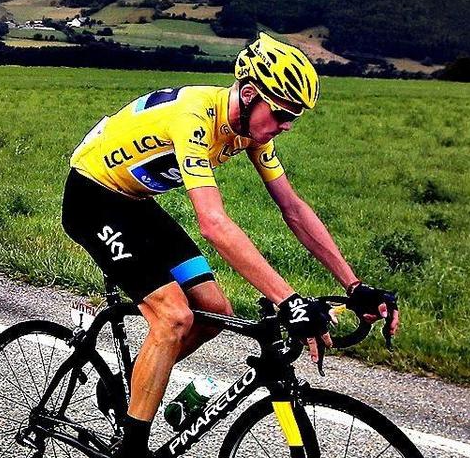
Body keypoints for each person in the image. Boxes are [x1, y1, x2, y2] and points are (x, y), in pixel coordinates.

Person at [61, 34, 398, 458]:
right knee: (173, 317)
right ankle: (133, 446)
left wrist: (354, 284)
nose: (287, 125)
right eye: (281, 113)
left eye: (294, 116)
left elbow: (292, 208)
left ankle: (136, 392)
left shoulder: (253, 134)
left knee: (216, 313)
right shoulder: (194, 118)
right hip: (92, 199)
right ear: (251, 93)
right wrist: (288, 300)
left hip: (136, 203)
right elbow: (214, 224)